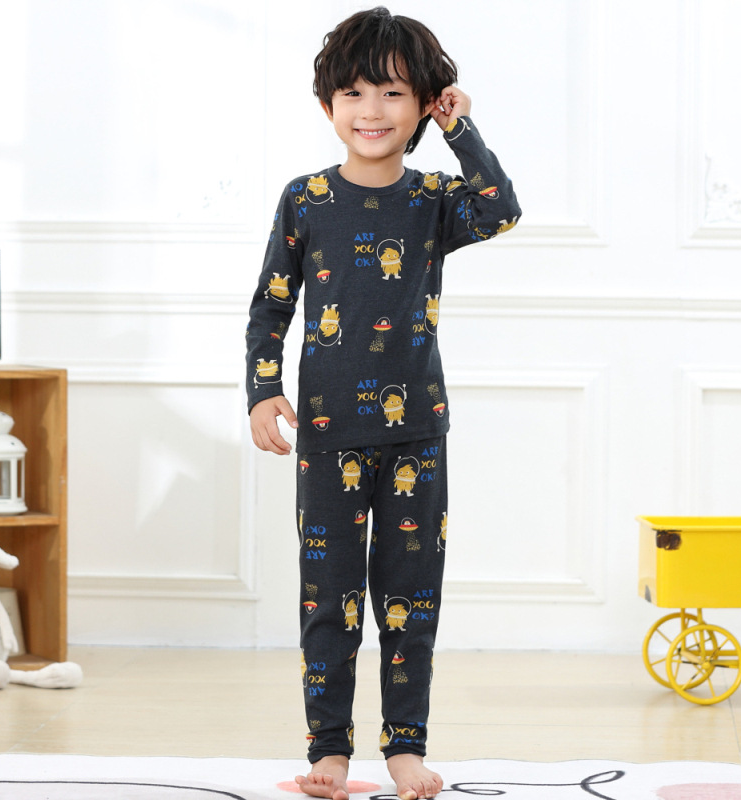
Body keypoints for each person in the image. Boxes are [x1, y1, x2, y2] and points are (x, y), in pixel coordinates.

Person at [245, 7, 520, 800]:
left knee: (410, 601)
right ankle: (329, 750)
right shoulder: (306, 199)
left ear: (425, 104)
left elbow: (500, 208)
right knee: (328, 603)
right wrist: (263, 390)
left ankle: (405, 748)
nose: (372, 110)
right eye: (356, 92)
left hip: (416, 434)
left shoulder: (435, 199)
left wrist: (461, 130)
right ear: (327, 104)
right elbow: (271, 304)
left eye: (395, 93)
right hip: (326, 433)